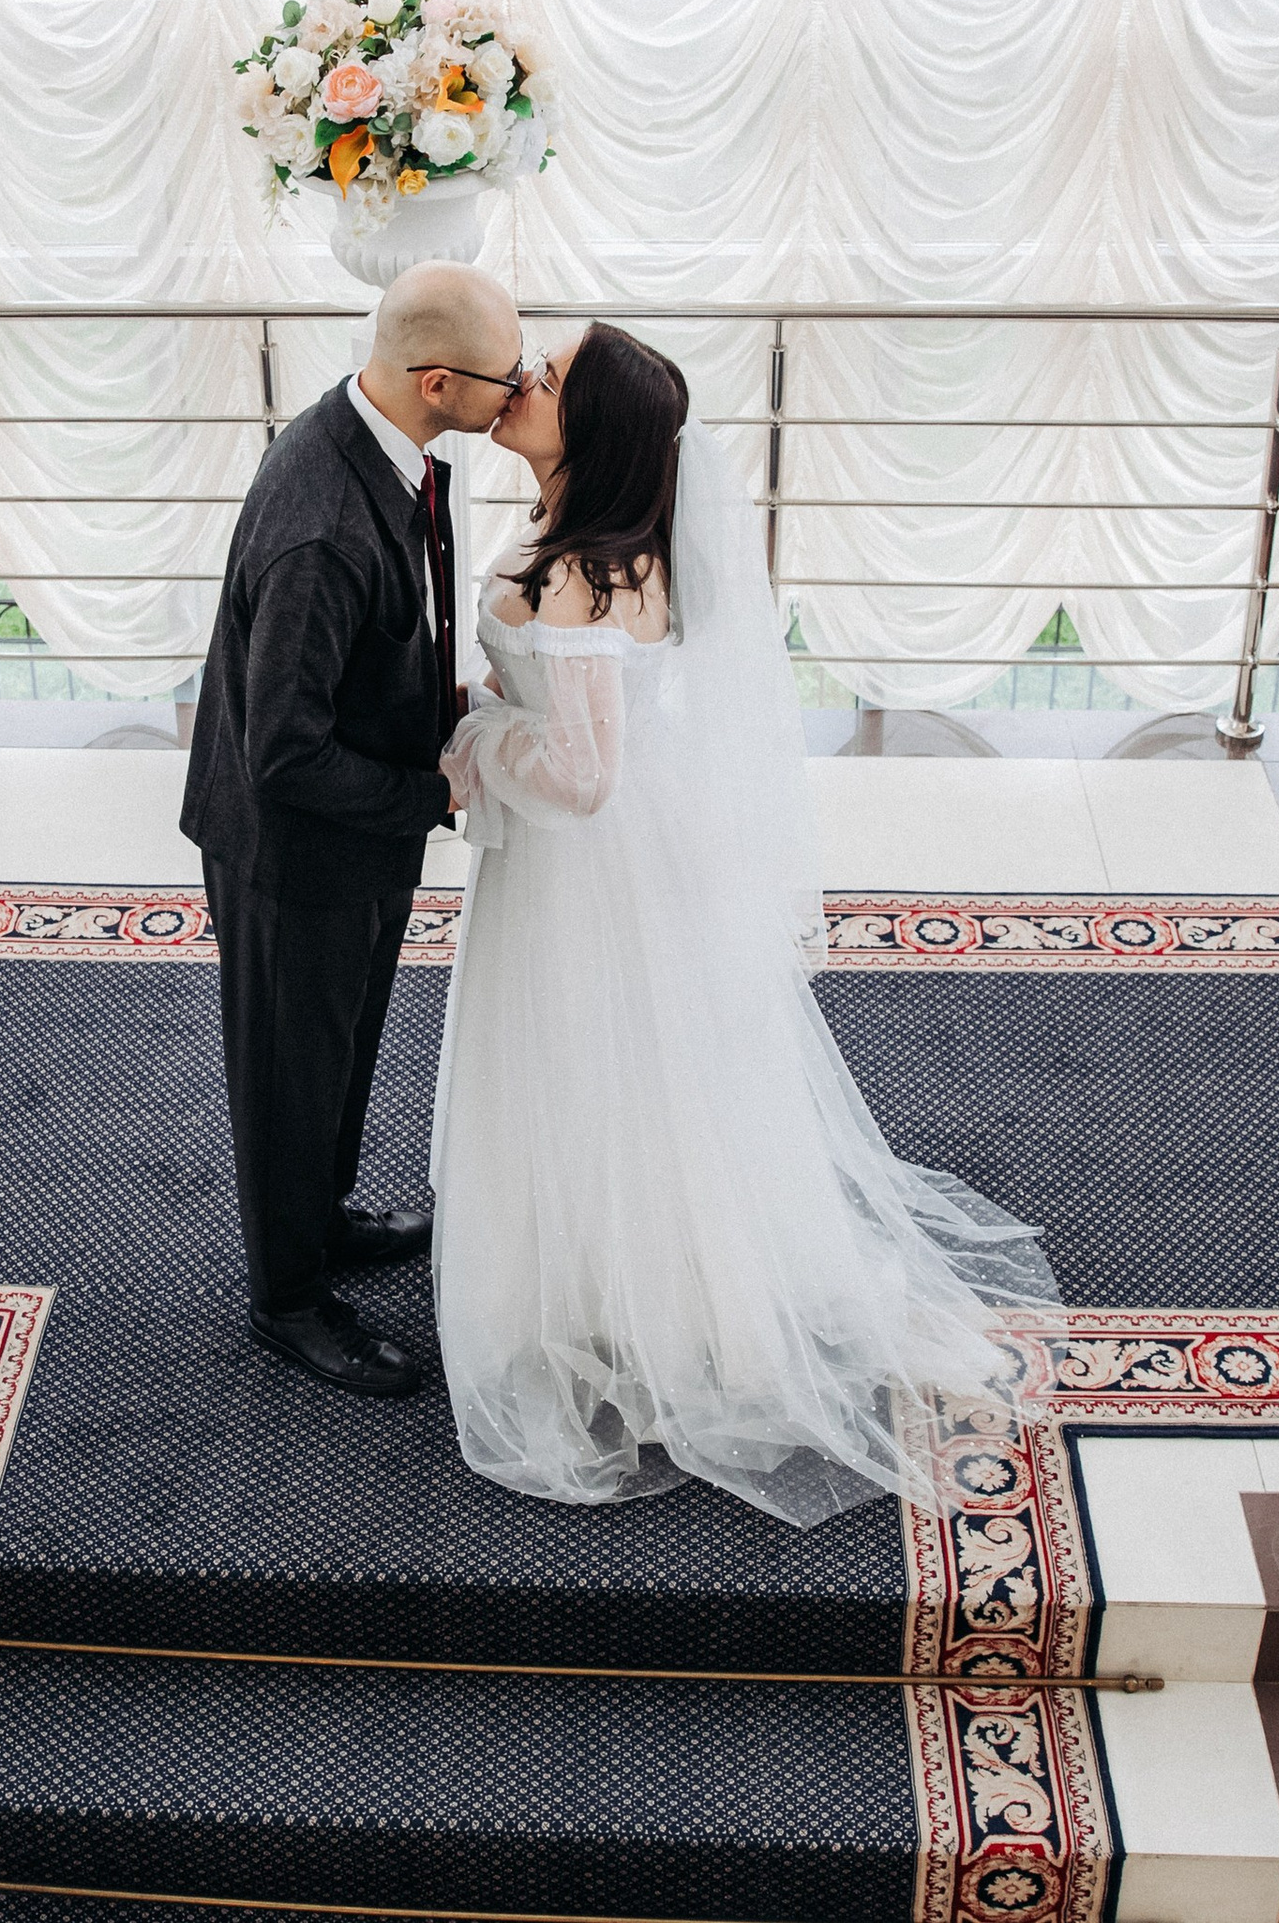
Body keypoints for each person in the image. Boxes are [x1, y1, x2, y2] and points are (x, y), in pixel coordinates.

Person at [434, 323, 1054, 1523]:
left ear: (591, 427)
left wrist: (468, 740)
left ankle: (612, 1307)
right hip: (649, 861)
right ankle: (661, 1289)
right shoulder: (621, 554)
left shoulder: (563, 574)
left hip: (590, 868)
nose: (522, 382)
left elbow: (580, 777)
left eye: (547, 377)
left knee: (589, 1065)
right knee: (665, 1077)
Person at [182, 260, 527, 1396]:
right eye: (502, 376)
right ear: (438, 382)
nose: (515, 389)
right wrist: (435, 791)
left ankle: (321, 1220)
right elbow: (282, 754)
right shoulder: (322, 526)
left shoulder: (379, 437)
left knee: (334, 1052)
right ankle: (288, 1300)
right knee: (289, 1072)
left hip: (353, 836)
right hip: (294, 855)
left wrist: (448, 710)